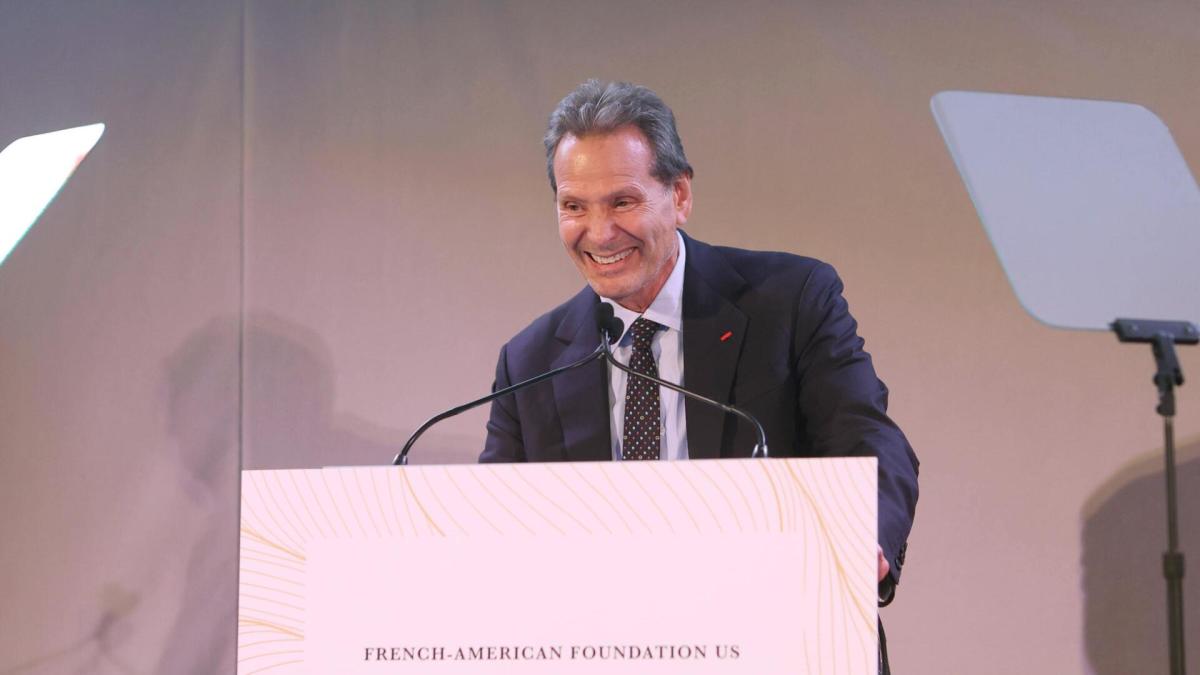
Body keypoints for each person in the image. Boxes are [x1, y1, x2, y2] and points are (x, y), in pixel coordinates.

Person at [480, 79, 919, 671]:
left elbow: (867, 437)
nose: (599, 233)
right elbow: (491, 526)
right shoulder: (530, 361)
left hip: (780, 640)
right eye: (574, 206)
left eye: (623, 202)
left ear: (680, 195)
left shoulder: (790, 301)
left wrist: (863, 535)